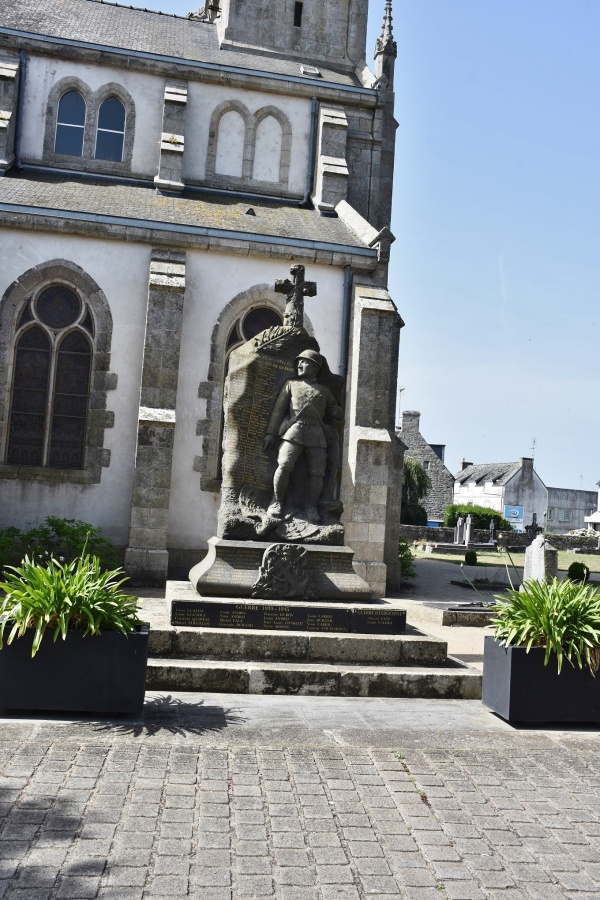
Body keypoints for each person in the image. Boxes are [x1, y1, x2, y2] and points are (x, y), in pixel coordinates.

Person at [263, 349, 342, 523]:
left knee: (317, 473)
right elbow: (278, 411)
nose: (299, 364)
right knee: (284, 465)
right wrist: (271, 433)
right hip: (294, 431)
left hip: (316, 435)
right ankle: (276, 501)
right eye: (299, 361)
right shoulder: (291, 384)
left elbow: (335, 414)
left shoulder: (325, 391)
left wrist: (338, 412)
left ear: (315, 367)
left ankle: (311, 507)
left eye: (304, 362)